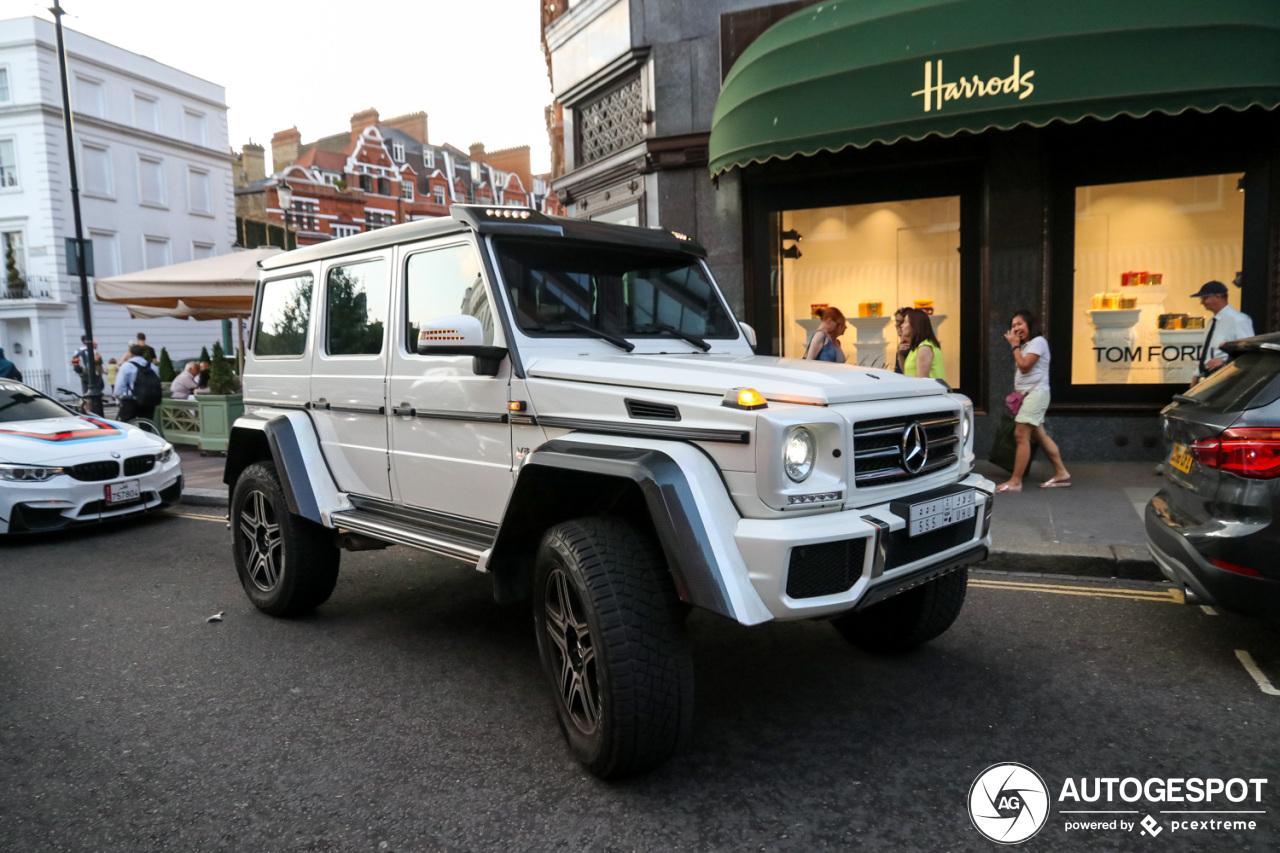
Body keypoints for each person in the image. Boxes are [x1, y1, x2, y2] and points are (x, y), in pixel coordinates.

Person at [997, 309, 1071, 493]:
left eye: (1019, 324)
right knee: (1040, 436)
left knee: (1021, 435)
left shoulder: (1038, 342)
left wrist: (1014, 347)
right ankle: (1062, 473)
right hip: (1027, 395)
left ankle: (1015, 481)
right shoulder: (1026, 345)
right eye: (1013, 326)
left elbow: (1024, 367)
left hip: (1036, 395)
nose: (1016, 328)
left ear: (1030, 324)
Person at [1190, 280, 1254, 384]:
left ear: (1218, 297)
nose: (1202, 302)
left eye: (1205, 298)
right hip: (1211, 377)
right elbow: (1207, 351)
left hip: (1227, 377)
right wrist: (1197, 374)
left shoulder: (1238, 320)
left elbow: (1248, 351)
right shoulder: (1212, 322)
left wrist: (1225, 362)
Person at [114, 344, 161, 423]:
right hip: (148, 400)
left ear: (131, 354)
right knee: (147, 425)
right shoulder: (153, 367)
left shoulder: (126, 366)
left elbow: (120, 386)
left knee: (126, 425)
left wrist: (118, 400)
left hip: (131, 400)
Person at [901, 308, 945, 380]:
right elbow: (907, 374)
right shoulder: (916, 349)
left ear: (914, 325)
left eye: (905, 322)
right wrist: (900, 355)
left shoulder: (924, 348)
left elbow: (922, 382)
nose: (901, 326)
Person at [893, 307, 912, 373]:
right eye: (896, 321)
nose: (896, 325)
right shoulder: (902, 345)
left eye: (900, 322)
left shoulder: (914, 346)